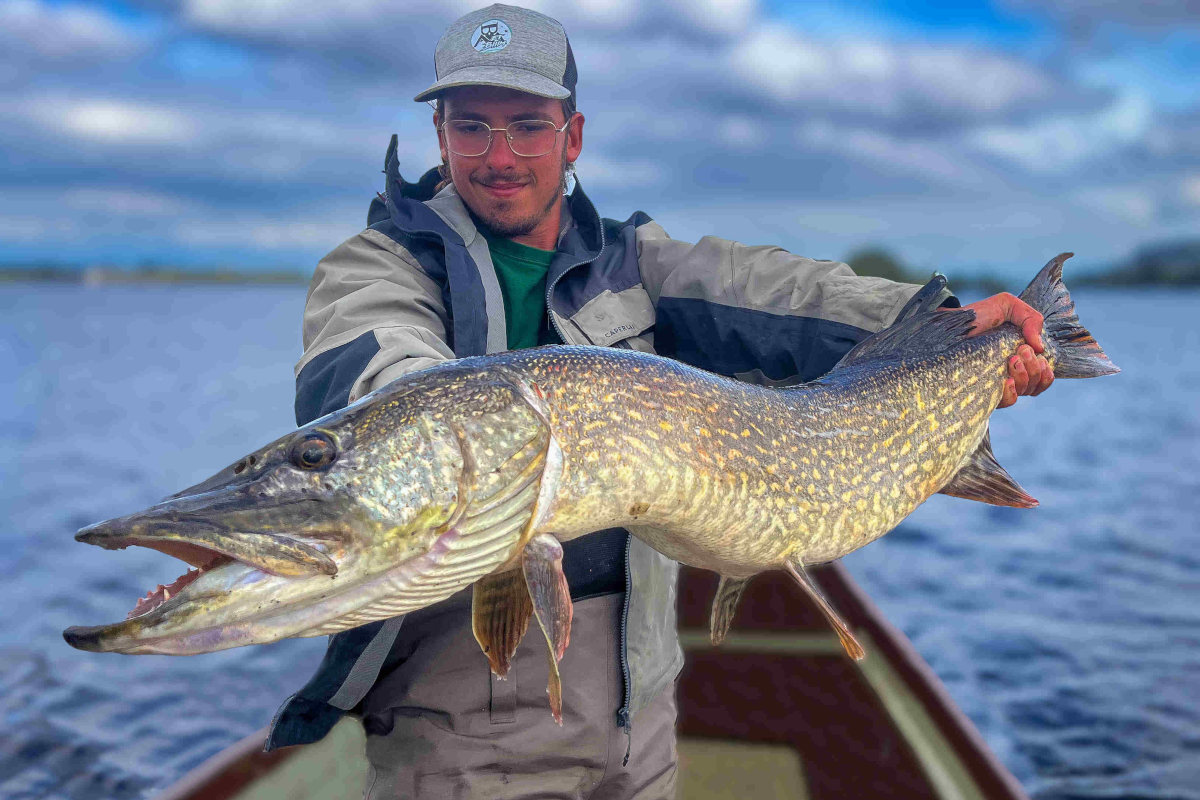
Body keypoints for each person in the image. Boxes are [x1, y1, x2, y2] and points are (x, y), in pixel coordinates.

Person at [265, 4, 1054, 797]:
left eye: (527, 127)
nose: (499, 156)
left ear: (572, 137)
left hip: (639, 709)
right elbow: (372, 368)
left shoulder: (633, 261)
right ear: (441, 136)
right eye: (471, 126)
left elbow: (774, 288)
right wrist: (415, 438)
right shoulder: (381, 265)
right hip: (461, 717)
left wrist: (940, 326)